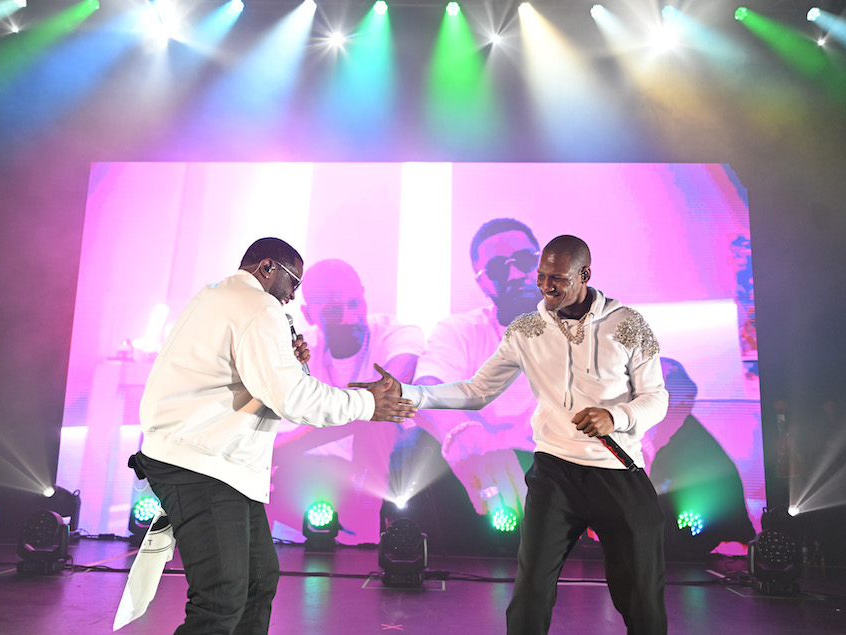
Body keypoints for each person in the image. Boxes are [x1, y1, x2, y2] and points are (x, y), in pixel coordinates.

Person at [354, 235, 669, 634]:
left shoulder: (627, 324)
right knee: (531, 590)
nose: (544, 285)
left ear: (584, 274)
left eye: (556, 277)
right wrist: (410, 393)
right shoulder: (527, 330)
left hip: (617, 471)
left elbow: (657, 398)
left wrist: (616, 416)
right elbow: (476, 390)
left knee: (640, 596)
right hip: (555, 472)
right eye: (542, 277)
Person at [133, 237, 415, 635]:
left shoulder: (218, 295)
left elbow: (251, 381)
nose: (293, 295)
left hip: (218, 464)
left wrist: (286, 361)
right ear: (267, 268)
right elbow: (292, 399)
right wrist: (368, 403)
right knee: (221, 599)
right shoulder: (258, 305)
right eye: (292, 282)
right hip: (202, 465)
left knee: (258, 580)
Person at [267, 259, 424, 544]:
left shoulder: (396, 334)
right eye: (333, 311)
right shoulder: (299, 350)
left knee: (378, 422)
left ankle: (371, 533)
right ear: (309, 314)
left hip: (386, 462)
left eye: (354, 304)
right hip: (320, 470)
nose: (349, 317)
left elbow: (386, 398)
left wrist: (289, 446)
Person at [414, 218, 542, 518]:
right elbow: (427, 390)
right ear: (482, 282)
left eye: (524, 260)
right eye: (498, 268)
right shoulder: (461, 330)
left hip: (563, 476)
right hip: (480, 481)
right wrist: (462, 434)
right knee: (415, 446)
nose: (514, 274)